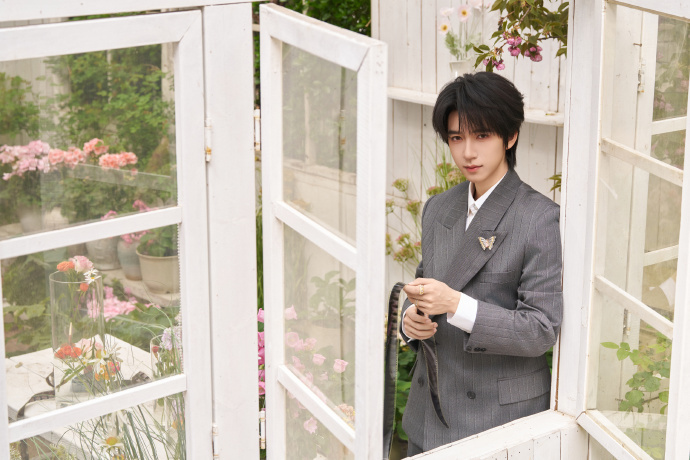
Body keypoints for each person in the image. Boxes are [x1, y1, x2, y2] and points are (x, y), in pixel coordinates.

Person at [399, 71, 563, 455]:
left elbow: (541, 329)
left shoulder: (539, 218)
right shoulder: (439, 207)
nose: (468, 153)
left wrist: (455, 304)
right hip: (428, 410)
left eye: (482, 136)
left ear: (511, 136)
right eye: (457, 138)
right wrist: (410, 319)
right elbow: (424, 283)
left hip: (497, 420)